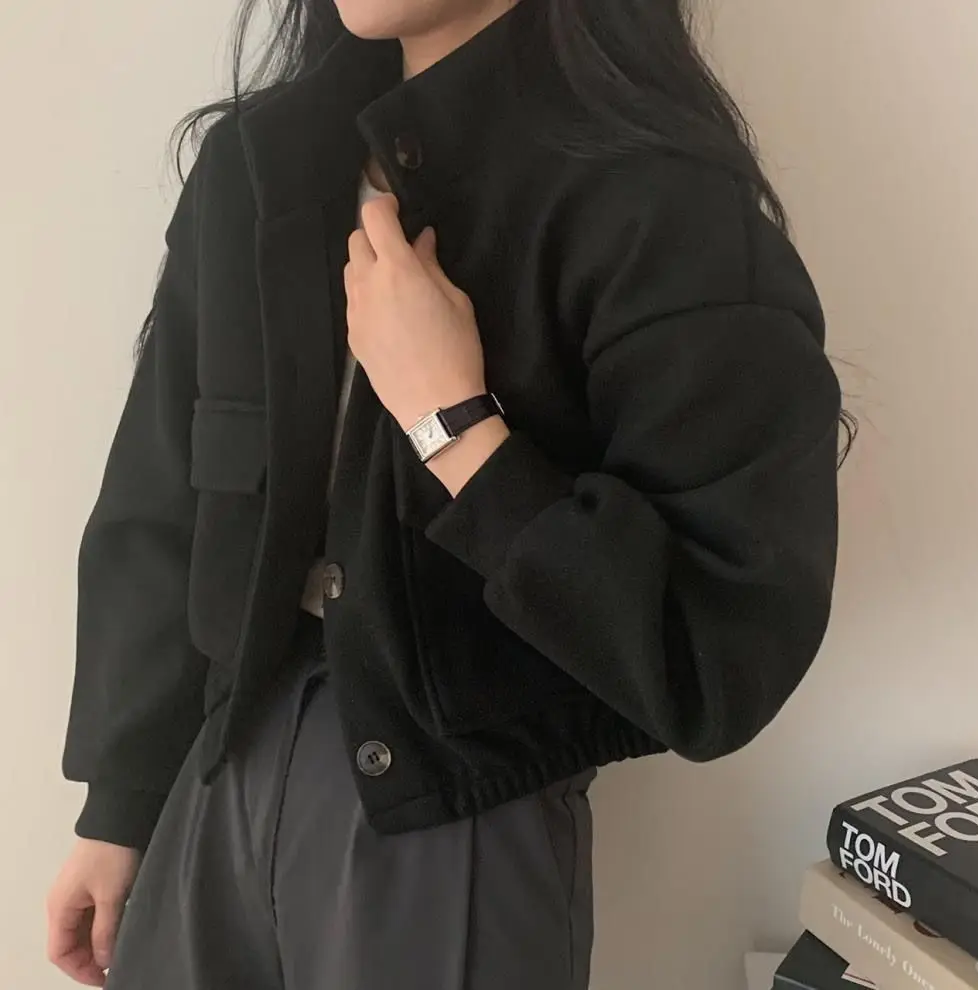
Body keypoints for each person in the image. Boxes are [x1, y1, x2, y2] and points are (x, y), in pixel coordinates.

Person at [45, 0, 856, 987]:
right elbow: (158, 492)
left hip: (454, 817)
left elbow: (718, 649)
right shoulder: (257, 165)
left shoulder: (656, 205)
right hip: (217, 768)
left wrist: (455, 424)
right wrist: (121, 802)